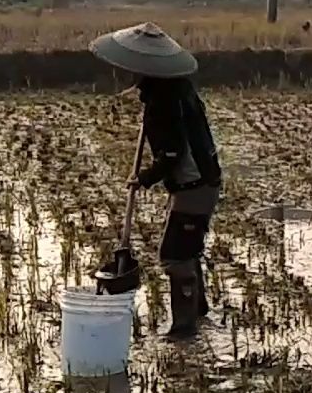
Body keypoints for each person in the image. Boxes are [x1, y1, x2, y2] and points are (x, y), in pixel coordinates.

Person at [90, 23, 222, 340]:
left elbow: (174, 154)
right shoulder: (176, 89)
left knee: (174, 255)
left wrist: (144, 178)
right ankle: (198, 311)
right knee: (185, 250)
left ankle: (184, 328)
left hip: (195, 187)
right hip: (201, 181)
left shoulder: (163, 102)